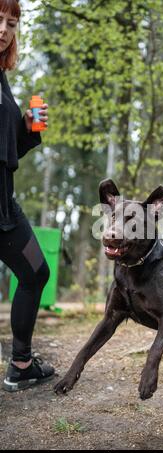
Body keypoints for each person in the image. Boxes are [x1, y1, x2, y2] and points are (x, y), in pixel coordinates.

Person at [0, 0, 55, 392]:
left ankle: (21, 364)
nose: (4, 29)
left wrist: (28, 128)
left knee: (36, 272)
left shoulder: (1, 79)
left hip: (5, 205)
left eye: (12, 23)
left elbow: (8, 151)